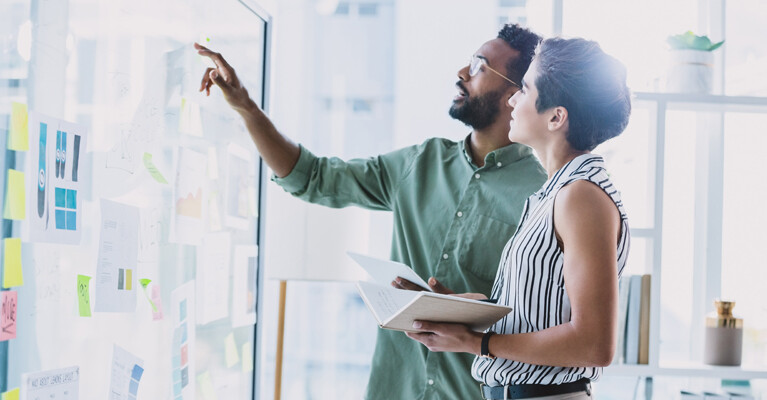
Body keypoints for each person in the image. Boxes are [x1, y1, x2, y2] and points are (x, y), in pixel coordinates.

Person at [195, 24, 548, 400]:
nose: (462, 74)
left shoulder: (543, 192)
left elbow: (544, 314)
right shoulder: (420, 162)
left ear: (515, 94)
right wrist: (246, 107)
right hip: (395, 388)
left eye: (479, 65)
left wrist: (471, 310)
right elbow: (313, 177)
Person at [405, 37, 632, 400]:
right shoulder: (554, 193)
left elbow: (594, 344)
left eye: (524, 90)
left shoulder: (580, 196)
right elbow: (541, 314)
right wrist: (458, 312)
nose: (512, 99)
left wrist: (476, 342)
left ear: (556, 117)